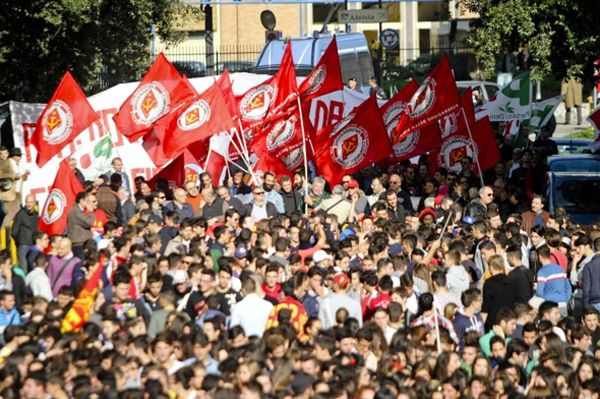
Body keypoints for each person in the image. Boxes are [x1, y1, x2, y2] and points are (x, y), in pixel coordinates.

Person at [0, 148, 30, 229]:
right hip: (9, 194)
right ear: (15, 156)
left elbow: (20, 179)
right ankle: (2, 233)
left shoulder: (17, 165)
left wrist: (25, 176)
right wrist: (13, 176)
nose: (20, 157)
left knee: (16, 215)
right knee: (11, 214)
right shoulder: (6, 163)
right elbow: (1, 175)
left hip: (17, 194)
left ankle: (8, 235)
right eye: (19, 156)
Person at [11, 194, 38, 271]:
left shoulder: (36, 215)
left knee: (33, 268)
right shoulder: (20, 214)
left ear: (34, 203)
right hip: (23, 245)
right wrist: (19, 242)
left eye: (31, 202)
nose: (29, 204)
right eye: (27, 202)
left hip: (33, 245)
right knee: (24, 268)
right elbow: (14, 231)